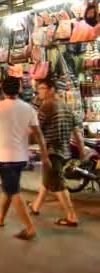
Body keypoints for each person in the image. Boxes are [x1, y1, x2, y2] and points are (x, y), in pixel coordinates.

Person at [0, 76, 51, 240]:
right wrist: (45, 156)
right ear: (20, 89)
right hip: (21, 158)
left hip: (5, 159)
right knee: (9, 188)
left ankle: (29, 228)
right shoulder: (28, 108)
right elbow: (38, 134)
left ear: (3, 90)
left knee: (13, 191)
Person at [28, 79, 84, 227]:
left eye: (42, 88)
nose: (39, 91)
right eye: (38, 88)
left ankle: (71, 216)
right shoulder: (66, 106)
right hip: (64, 150)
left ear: (51, 89)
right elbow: (76, 132)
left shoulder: (47, 106)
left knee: (58, 183)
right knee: (48, 180)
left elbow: (35, 128)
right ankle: (35, 207)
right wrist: (81, 150)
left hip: (52, 151)